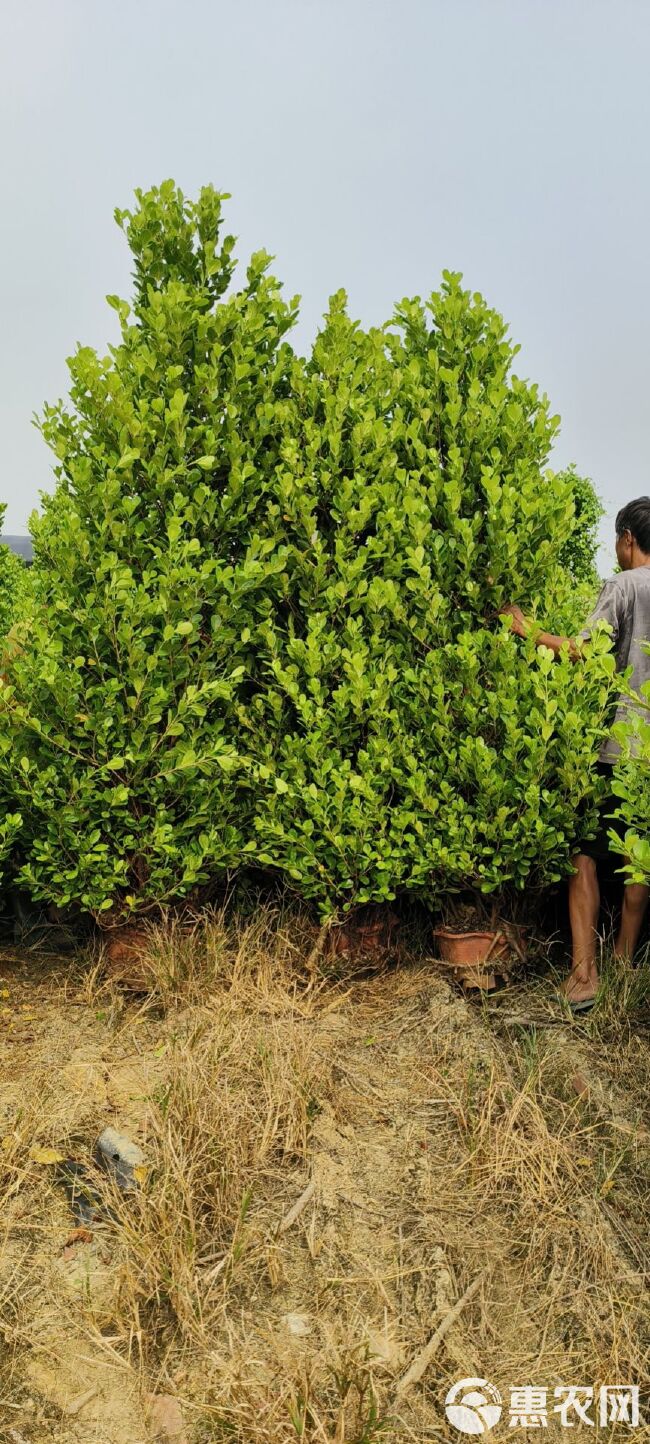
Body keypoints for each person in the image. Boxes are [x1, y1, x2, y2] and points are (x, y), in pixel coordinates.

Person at [502, 496, 650, 1010]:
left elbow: (587, 650)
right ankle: (625, 969)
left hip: (621, 750)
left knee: (584, 856)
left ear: (627, 539)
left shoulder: (624, 586)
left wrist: (527, 631)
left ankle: (585, 976)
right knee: (638, 863)